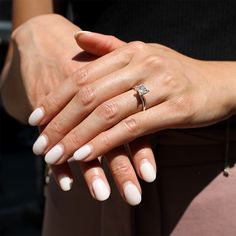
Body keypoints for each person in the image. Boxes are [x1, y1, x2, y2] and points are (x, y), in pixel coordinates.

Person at [1, 1, 236, 235]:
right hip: (82, 184)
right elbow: (11, 92)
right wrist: (32, 33)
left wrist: (221, 81)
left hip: (219, 183)